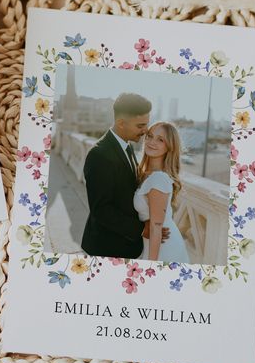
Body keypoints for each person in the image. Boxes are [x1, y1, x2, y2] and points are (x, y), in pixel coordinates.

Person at [81, 93, 169, 259]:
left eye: (146, 124)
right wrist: (143, 229)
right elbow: (101, 210)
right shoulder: (99, 155)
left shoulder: (126, 146)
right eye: (140, 126)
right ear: (121, 123)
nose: (145, 131)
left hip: (126, 245)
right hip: (107, 248)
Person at [133, 122, 190, 264]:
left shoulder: (158, 178)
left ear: (169, 147)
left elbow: (156, 227)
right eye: (150, 136)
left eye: (160, 139)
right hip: (152, 242)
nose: (152, 142)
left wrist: (151, 266)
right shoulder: (146, 174)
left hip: (163, 248)